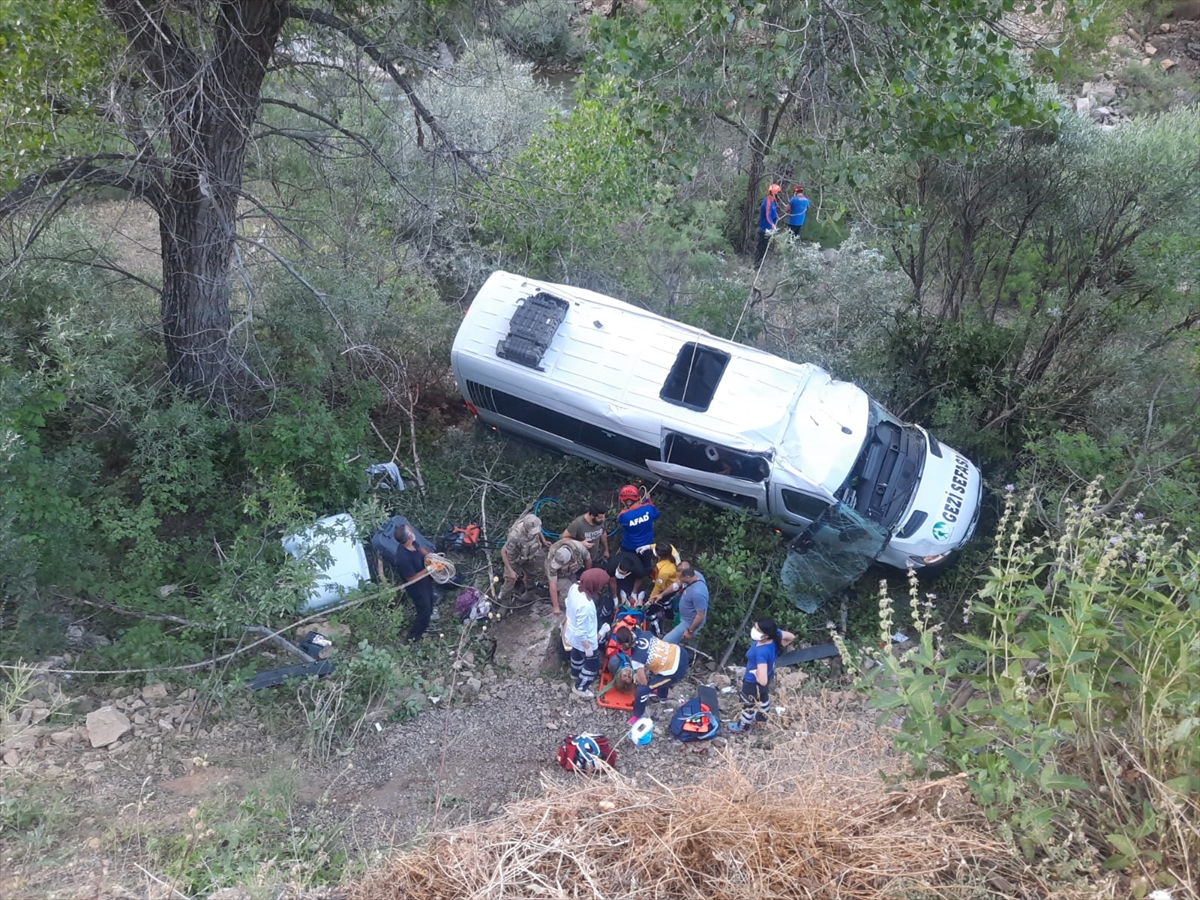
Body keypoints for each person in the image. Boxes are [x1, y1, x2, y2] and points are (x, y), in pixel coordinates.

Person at [728, 617, 795, 734]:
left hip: (752, 682)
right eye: (755, 626)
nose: (754, 630)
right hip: (769, 673)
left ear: (766, 635)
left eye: (758, 629)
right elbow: (791, 637)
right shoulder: (775, 637)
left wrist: (756, 673)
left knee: (747, 704)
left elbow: (762, 680)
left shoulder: (761, 652)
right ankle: (762, 717)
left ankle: (743, 726)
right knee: (763, 696)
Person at [611, 625, 690, 723]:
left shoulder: (636, 659)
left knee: (642, 690)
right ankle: (662, 697)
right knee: (660, 671)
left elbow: (643, 682)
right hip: (679, 652)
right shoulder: (644, 633)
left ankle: (637, 715)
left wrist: (635, 676)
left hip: (675, 669)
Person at [564, 568, 609, 699]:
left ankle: (575, 673)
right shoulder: (586, 605)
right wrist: (588, 647)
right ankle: (580, 687)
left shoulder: (575, 587)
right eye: (601, 585)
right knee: (592, 664)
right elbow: (581, 632)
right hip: (585, 639)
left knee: (576, 653)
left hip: (572, 632)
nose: (601, 587)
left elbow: (567, 603)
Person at [390, 525, 436, 643]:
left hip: (425, 582)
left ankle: (426, 624)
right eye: (411, 531)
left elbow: (421, 549)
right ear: (409, 536)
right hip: (417, 589)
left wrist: (431, 557)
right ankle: (412, 638)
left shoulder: (412, 544)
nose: (412, 531)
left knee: (430, 604)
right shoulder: (403, 558)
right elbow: (411, 578)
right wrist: (429, 569)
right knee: (424, 613)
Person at [500, 513, 549, 602]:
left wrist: (543, 541)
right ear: (526, 528)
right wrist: (511, 571)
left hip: (529, 556)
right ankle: (504, 600)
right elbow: (504, 552)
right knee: (510, 580)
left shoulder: (534, 526)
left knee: (531, 575)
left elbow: (538, 532)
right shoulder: (514, 536)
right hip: (514, 560)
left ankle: (529, 594)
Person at [616, 484, 659, 575]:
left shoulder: (623, 516)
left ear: (628, 501)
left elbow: (620, 520)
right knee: (645, 566)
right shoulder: (649, 508)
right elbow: (656, 514)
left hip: (629, 547)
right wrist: (648, 501)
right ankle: (642, 577)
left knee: (626, 565)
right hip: (646, 545)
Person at [662, 562, 708, 645]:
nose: (678, 579)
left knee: (665, 642)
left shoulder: (698, 593)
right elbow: (678, 584)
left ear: (687, 577)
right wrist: (661, 595)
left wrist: (689, 631)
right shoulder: (694, 575)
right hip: (683, 616)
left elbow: (700, 615)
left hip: (689, 623)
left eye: (680, 577)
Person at [545, 536, 592, 616]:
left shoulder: (579, 547)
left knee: (578, 589)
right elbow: (552, 584)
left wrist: (587, 576)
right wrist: (556, 607)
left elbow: (588, 559)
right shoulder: (552, 562)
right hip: (559, 576)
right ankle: (563, 603)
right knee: (569, 593)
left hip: (571, 571)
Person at [563, 500, 610, 567]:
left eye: (604, 516)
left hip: (594, 556)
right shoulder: (578, 523)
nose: (603, 519)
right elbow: (564, 537)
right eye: (600, 518)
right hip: (579, 560)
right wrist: (580, 543)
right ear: (592, 516)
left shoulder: (600, 521)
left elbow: (603, 533)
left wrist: (606, 550)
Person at [647, 542, 681, 606]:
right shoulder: (670, 550)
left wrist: (651, 598)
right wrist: (648, 547)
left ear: (660, 555)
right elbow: (659, 546)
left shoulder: (664, 571)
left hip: (667, 587)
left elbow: (658, 586)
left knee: (660, 602)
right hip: (669, 580)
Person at [756, 183, 782, 265]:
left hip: (769, 229)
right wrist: (772, 224)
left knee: (764, 248)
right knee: (761, 248)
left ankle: (759, 262)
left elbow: (773, 211)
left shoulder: (772, 201)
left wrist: (776, 216)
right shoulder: (767, 202)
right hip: (765, 229)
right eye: (777, 193)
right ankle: (757, 264)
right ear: (774, 193)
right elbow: (767, 215)